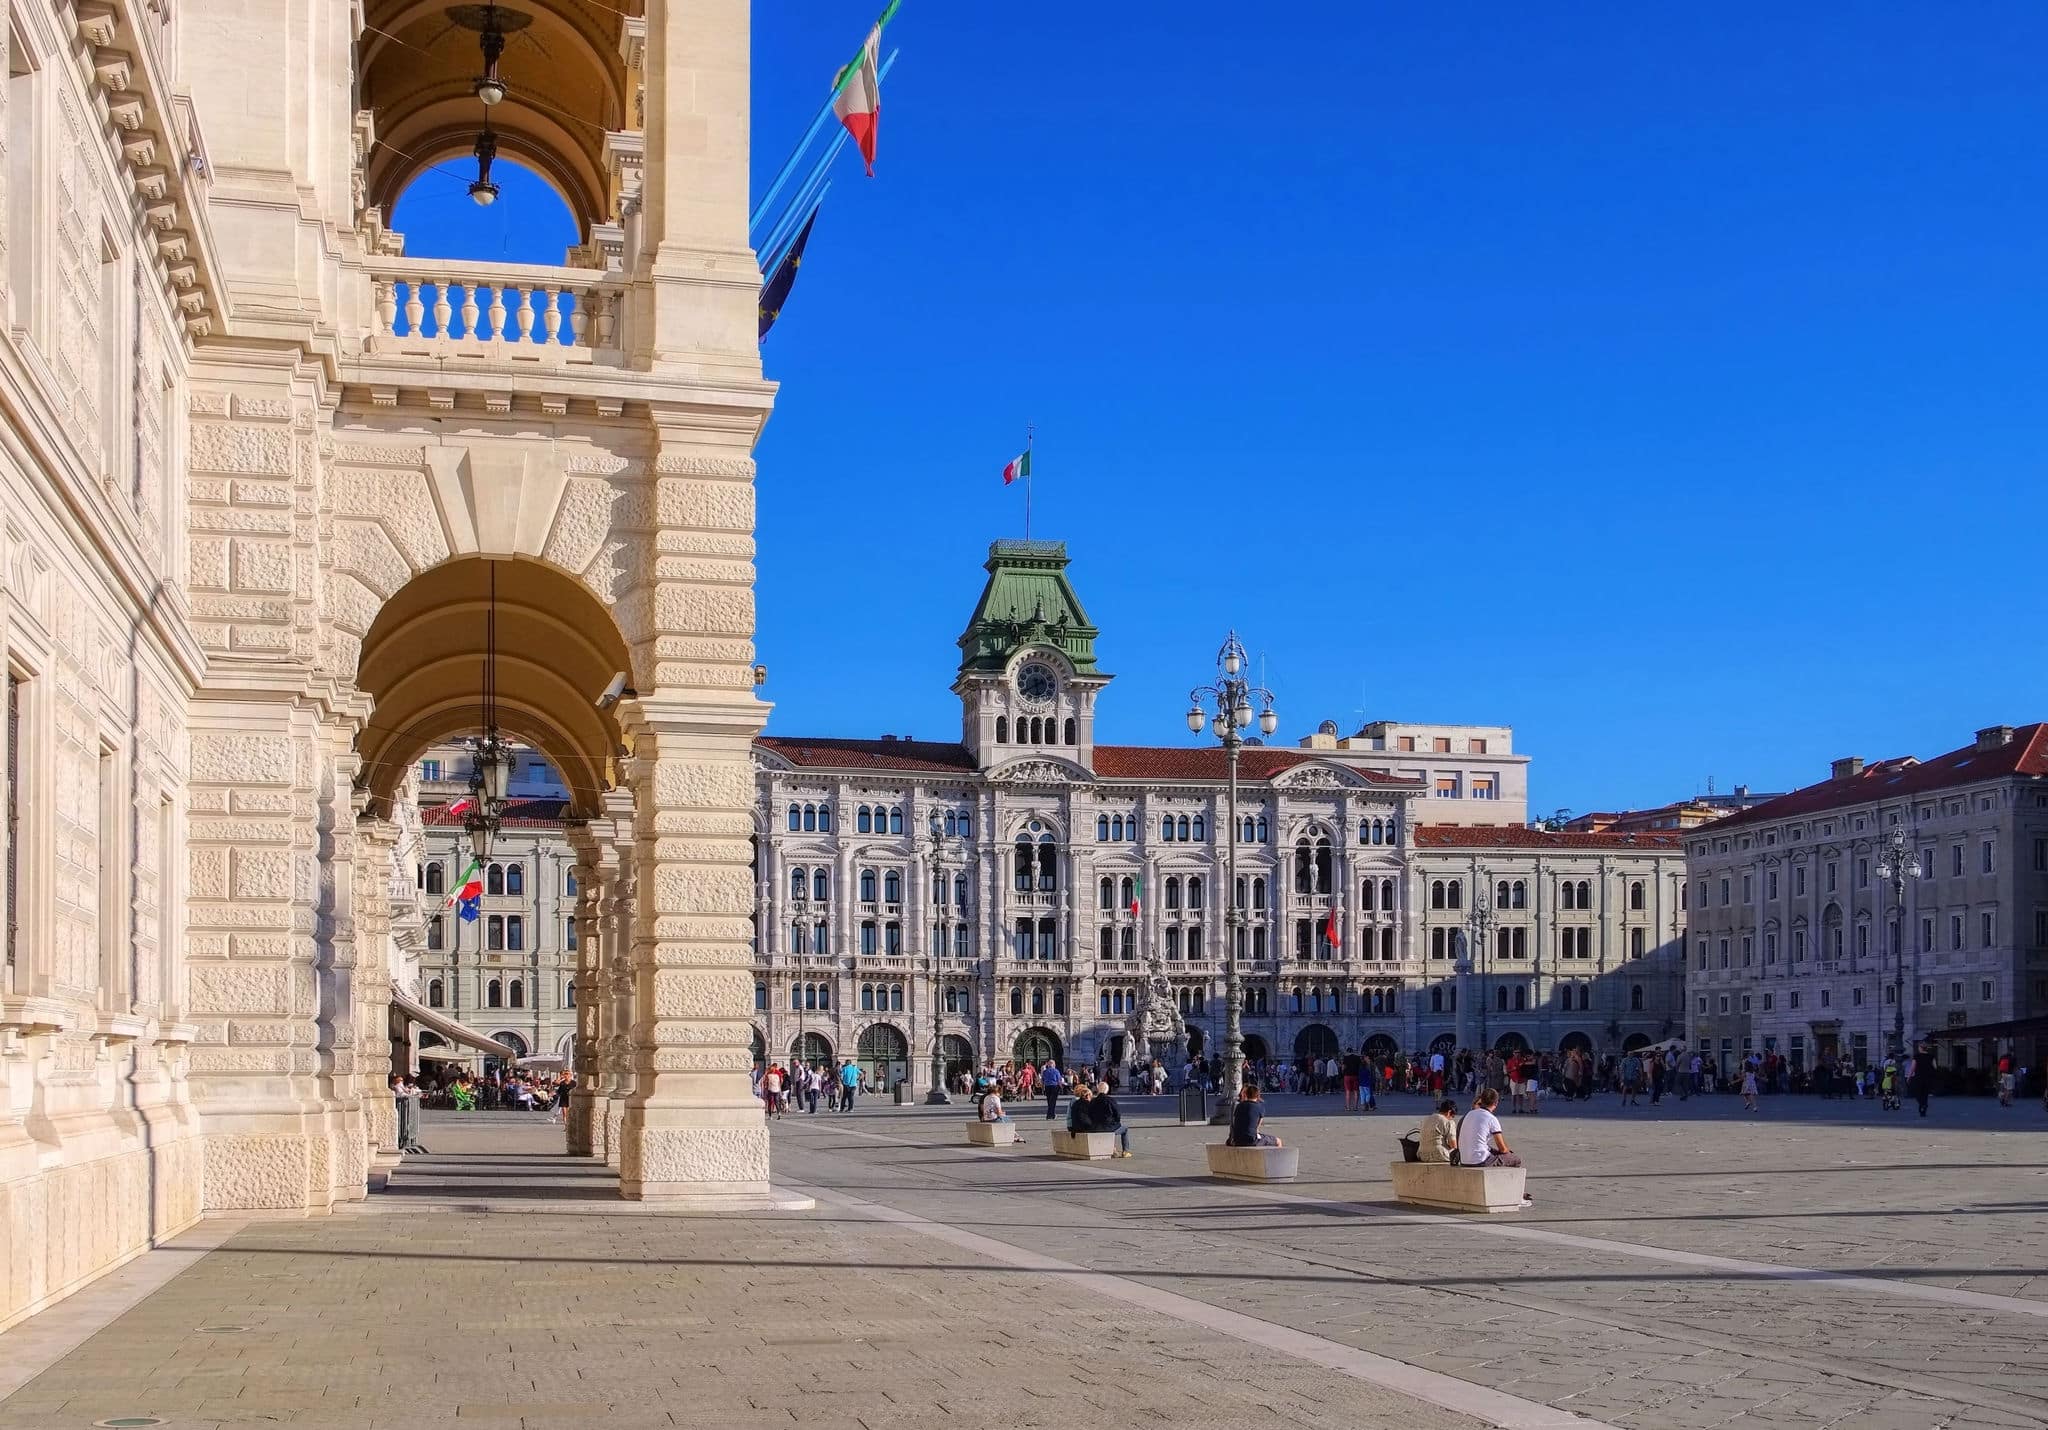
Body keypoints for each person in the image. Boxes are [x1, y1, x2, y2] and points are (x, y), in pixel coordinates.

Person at [1457, 1089, 1530, 1202]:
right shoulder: (1491, 1118)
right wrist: (1508, 1153)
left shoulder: (1469, 1114)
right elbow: (1503, 1148)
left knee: (1497, 1155)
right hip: (1479, 1160)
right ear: (1496, 1103)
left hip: (1464, 1159)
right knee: (1514, 1160)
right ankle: (1516, 1193)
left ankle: (1512, 1191)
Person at [1225, 1082, 1280, 1148]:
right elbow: (1257, 1128)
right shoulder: (1260, 1107)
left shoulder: (1238, 1106)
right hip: (1252, 1140)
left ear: (1246, 1094)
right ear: (1257, 1095)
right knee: (1278, 1141)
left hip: (1237, 1140)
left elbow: (1234, 1123)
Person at [1090, 1082, 1134, 1157]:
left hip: (1095, 1127)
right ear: (1107, 1090)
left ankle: (1113, 1149)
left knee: (1112, 1127)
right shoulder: (1110, 1100)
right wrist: (1116, 1122)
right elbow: (1117, 1114)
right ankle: (1125, 1151)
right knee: (1124, 1129)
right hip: (1108, 1127)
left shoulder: (1093, 1101)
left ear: (1098, 1090)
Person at [1416, 1097, 1457, 1163]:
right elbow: (1453, 1145)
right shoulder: (1448, 1122)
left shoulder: (1426, 1119)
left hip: (1422, 1155)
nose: (1452, 1118)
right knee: (1459, 1154)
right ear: (1449, 1112)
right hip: (1439, 1154)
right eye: (1453, 1116)